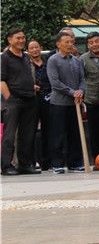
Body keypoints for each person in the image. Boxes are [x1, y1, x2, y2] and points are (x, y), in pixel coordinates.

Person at [1, 28, 40, 175]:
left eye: (23, 37)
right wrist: (9, 99)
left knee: (27, 135)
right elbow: (2, 80)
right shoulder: (5, 57)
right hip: (14, 101)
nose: (21, 40)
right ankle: (6, 166)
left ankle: (24, 165)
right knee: (9, 135)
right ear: (10, 40)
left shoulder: (25, 56)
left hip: (30, 99)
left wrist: (31, 87)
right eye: (18, 38)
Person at [46, 32, 86, 173]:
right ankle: (57, 164)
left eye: (71, 42)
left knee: (75, 134)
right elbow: (55, 83)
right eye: (66, 42)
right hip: (58, 104)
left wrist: (81, 90)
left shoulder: (76, 60)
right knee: (58, 135)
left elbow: (82, 79)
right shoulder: (53, 60)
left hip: (74, 104)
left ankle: (75, 163)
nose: (70, 44)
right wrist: (72, 92)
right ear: (58, 44)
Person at [80, 33, 99, 158]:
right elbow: (81, 78)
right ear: (88, 45)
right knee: (94, 132)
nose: (94, 45)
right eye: (91, 43)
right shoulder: (83, 59)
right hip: (92, 100)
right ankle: (98, 159)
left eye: (96, 41)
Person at [28, 40, 52, 170]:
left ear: (41, 48)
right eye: (31, 48)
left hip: (47, 98)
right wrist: (30, 86)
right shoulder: (26, 64)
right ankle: (32, 161)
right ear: (28, 51)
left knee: (47, 130)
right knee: (31, 130)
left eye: (36, 47)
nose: (34, 50)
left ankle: (46, 161)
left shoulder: (48, 62)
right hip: (32, 99)